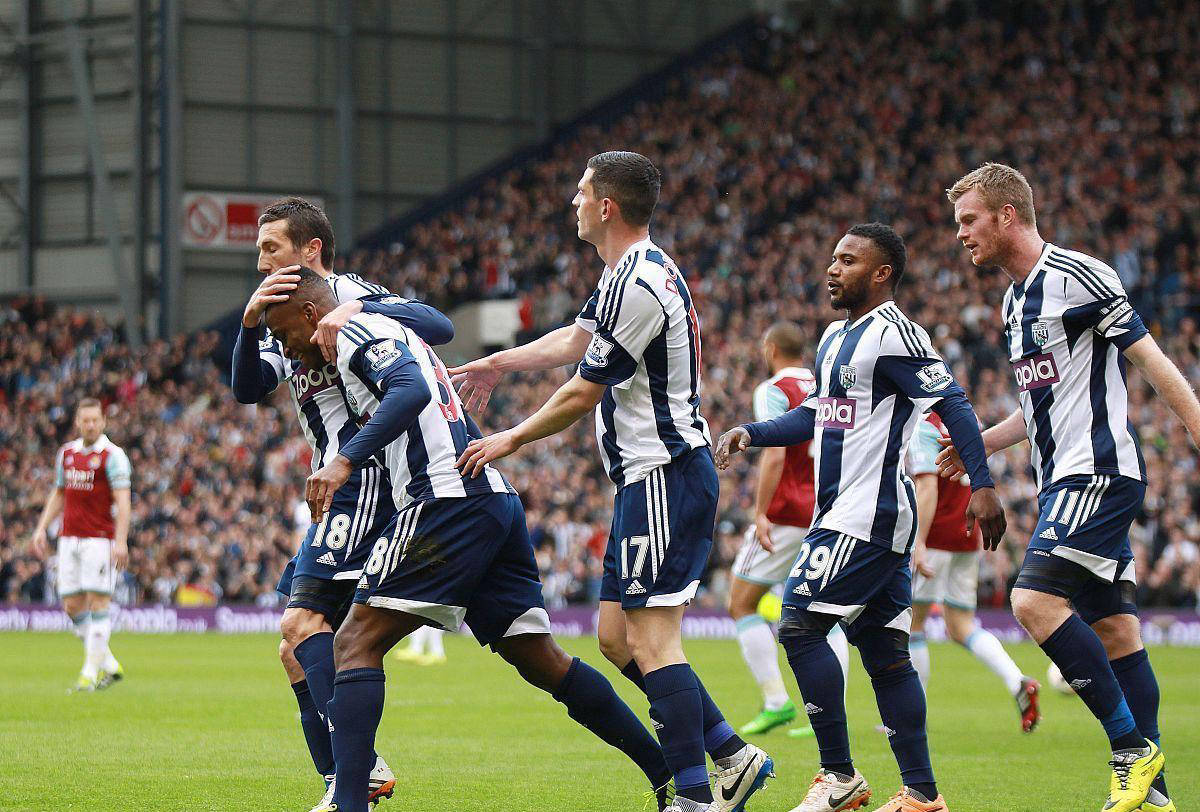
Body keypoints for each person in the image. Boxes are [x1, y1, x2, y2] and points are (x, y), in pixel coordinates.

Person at [268, 267, 676, 812]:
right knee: (541, 660)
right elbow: (429, 329)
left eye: (282, 332)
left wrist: (344, 461)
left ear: (310, 312)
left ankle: (350, 800)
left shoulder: (351, 333)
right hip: (489, 497)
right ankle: (667, 771)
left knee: (352, 643)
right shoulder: (377, 321)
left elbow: (410, 388)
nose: (285, 348)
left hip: (444, 498)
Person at [453, 151, 772, 812]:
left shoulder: (641, 282)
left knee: (654, 642)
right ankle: (730, 754)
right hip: (647, 480)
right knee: (616, 638)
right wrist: (497, 363)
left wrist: (509, 438)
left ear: (606, 206)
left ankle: (692, 795)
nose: (572, 202)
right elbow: (577, 339)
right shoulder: (625, 274)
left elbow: (583, 392)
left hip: (665, 473)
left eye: (580, 192)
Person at [715, 223, 1006, 812]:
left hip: (866, 515)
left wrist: (984, 483)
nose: (832, 269)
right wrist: (753, 432)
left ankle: (838, 777)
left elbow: (952, 403)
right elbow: (820, 413)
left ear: (880, 273)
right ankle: (923, 794)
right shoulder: (832, 338)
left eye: (847, 261)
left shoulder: (897, 335)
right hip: (851, 514)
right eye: (832, 258)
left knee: (798, 625)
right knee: (884, 650)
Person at [941, 163, 1200, 812]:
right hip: (1064, 480)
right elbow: (1039, 407)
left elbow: (1149, 357)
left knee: (1031, 601)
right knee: (1116, 634)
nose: (961, 235)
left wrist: (1195, 421)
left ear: (1006, 215)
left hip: (1099, 473)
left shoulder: (1078, 276)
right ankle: (1156, 794)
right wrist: (983, 445)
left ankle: (1131, 751)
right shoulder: (1010, 302)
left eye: (969, 221)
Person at [232, 197, 454, 809]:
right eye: (258, 250)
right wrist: (249, 326)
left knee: (302, 625)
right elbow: (248, 390)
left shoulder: (348, 295)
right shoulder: (282, 315)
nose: (260, 260)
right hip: (338, 486)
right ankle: (344, 777)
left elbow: (437, 326)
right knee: (294, 651)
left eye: (270, 248)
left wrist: (355, 306)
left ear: (311, 251)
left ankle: (357, 771)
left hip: (367, 481)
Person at [728, 322, 850, 738]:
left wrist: (761, 511)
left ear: (770, 349)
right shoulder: (828, 382)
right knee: (826, 615)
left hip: (786, 513)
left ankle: (777, 702)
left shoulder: (773, 390)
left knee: (741, 603)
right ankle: (834, 708)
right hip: (828, 510)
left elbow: (777, 451)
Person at [905, 411, 1040, 731]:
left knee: (913, 625)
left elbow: (927, 488)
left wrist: (919, 541)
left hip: (936, 533)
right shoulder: (968, 418)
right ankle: (1016, 680)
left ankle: (912, 716)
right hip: (967, 531)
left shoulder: (925, 424)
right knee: (960, 625)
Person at [29, 398, 131, 692]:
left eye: (94, 420)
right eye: (85, 420)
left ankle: (88, 674)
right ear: (78, 422)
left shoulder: (113, 456)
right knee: (71, 605)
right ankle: (109, 664)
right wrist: (40, 528)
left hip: (98, 540)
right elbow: (59, 493)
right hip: (68, 538)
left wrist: (121, 540)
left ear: (103, 422)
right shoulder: (67, 453)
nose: (90, 425)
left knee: (99, 603)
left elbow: (123, 501)